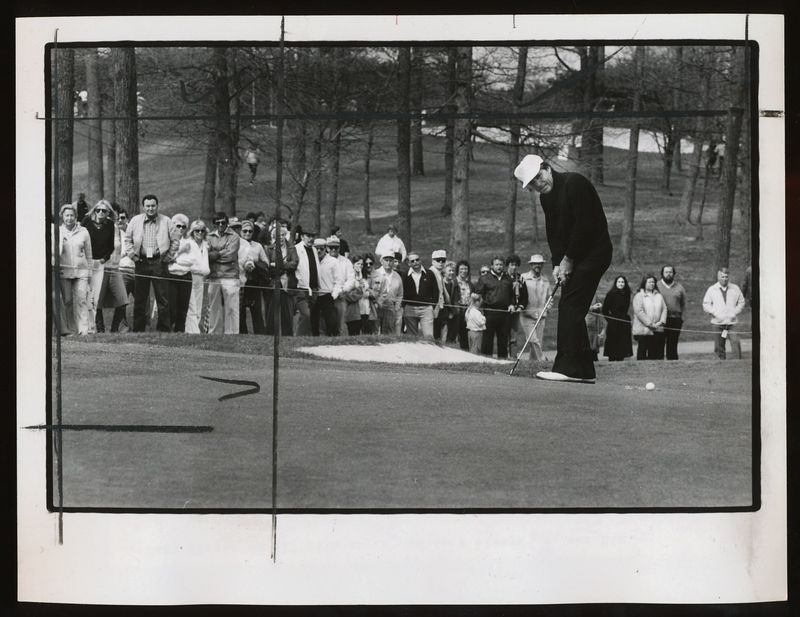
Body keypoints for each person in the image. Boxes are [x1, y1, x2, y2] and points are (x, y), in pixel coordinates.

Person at [515, 153, 612, 383]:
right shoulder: (546, 199)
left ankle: (568, 367)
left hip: (595, 252)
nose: (539, 184)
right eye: (533, 183)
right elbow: (555, 235)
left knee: (570, 305)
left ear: (547, 168)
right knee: (570, 305)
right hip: (576, 256)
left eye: (539, 177)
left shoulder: (574, 183)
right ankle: (584, 370)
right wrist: (558, 264)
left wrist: (568, 259)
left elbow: (584, 225)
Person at [122, 194, 179, 332]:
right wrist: (132, 256)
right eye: (148, 206)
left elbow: (175, 240)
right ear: (143, 207)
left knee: (162, 298)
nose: (150, 209)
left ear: (157, 206)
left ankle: (164, 329)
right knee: (140, 298)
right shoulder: (135, 221)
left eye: (153, 206)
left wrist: (168, 257)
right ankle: (138, 329)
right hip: (141, 262)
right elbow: (128, 240)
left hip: (160, 261)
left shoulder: (166, 221)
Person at [82, 200, 120, 333]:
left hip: (100, 264)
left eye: (104, 210)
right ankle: (84, 326)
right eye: (98, 210)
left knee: (96, 296)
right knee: (84, 294)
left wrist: (104, 259)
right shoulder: (86, 222)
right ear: (94, 210)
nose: (100, 213)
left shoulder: (110, 225)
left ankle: (93, 327)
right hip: (85, 262)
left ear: (108, 212)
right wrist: (86, 259)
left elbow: (111, 247)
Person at [55, 203, 92, 335]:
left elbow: (89, 254)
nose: (69, 218)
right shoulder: (58, 231)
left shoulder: (84, 231)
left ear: (76, 216)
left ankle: (84, 330)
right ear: (62, 217)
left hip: (81, 271)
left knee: (82, 299)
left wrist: (89, 272)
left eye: (71, 215)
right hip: (64, 272)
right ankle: (71, 329)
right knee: (68, 301)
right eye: (67, 216)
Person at [170, 219, 210, 333]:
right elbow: (176, 258)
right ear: (192, 231)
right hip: (190, 275)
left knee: (198, 305)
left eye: (202, 230)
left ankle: (194, 329)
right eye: (197, 230)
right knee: (190, 305)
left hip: (201, 278)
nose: (200, 233)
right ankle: (190, 330)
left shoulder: (205, 245)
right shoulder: (188, 243)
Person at [205, 211, 241, 334]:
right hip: (214, 275)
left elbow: (230, 255)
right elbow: (206, 255)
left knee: (232, 306)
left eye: (223, 222)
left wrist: (215, 254)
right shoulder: (209, 236)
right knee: (214, 306)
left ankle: (232, 333)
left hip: (230, 275)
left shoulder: (234, 236)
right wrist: (221, 252)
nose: (221, 225)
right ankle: (214, 332)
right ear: (214, 224)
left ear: (227, 223)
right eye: (218, 223)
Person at [474, 256, 514, 359]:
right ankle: (486, 359)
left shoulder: (507, 278)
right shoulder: (484, 278)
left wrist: (512, 304)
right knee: (488, 339)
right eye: (496, 264)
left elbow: (512, 295)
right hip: (490, 312)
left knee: (503, 339)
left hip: (504, 313)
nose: (499, 267)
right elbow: (477, 294)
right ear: (492, 266)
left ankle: (502, 360)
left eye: (501, 265)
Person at [264, 219, 298, 336]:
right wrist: (279, 266)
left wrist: (280, 265)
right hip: (274, 282)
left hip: (287, 283)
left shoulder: (291, 248)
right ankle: (269, 335)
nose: (281, 238)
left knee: (287, 312)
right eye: (278, 236)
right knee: (271, 311)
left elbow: (294, 263)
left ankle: (287, 335)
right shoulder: (269, 249)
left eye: (283, 235)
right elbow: (268, 266)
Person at [702, 267, 745, 360]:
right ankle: (721, 363)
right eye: (722, 277)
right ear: (718, 277)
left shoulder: (735, 288)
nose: (724, 279)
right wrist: (715, 313)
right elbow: (706, 304)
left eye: (726, 277)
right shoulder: (712, 289)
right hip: (718, 323)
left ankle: (737, 362)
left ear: (729, 277)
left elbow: (741, 302)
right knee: (719, 346)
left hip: (732, 323)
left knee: (735, 343)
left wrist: (734, 312)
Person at [518, 254, 552, 361]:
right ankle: (542, 359)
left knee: (538, 342)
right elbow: (518, 294)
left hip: (541, 315)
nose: (538, 266)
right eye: (535, 264)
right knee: (533, 340)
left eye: (540, 264)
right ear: (531, 265)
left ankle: (533, 362)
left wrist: (548, 307)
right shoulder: (523, 277)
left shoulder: (545, 280)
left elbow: (550, 297)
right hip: (527, 314)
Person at [238, 220, 269, 334]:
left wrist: (254, 263)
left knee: (256, 310)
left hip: (254, 281)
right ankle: (242, 333)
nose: (247, 233)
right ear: (241, 231)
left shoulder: (257, 246)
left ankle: (260, 333)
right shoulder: (236, 244)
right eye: (245, 231)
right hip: (240, 281)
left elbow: (266, 263)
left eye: (250, 231)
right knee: (240, 310)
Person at [401, 252, 439, 338]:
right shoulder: (405, 275)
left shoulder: (429, 273)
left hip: (426, 309)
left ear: (420, 260)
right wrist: (404, 306)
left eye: (417, 260)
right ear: (409, 263)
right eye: (412, 261)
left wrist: (432, 306)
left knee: (429, 337)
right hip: (410, 308)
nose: (415, 262)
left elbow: (436, 291)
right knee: (411, 338)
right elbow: (401, 292)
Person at [166, 213, 193, 332]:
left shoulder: (190, 242)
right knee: (171, 307)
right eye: (178, 226)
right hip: (171, 276)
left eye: (183, 227)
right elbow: (166, 259)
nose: (181, 229)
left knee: (183, 308)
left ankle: (180, 331)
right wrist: (180, 252)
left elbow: (192, 261)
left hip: (186, 276)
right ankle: (168, 330)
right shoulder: (167, 241)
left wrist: (175, 260)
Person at [632, 274, 668, 360]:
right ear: (644, 283)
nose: (652, 284)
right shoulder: (639, 296)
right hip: (644, 330)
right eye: (649, 282)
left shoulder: (659, 296)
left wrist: (661, 322)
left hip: (657, 328)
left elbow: (664, 309)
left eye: (653, 282)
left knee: (655, 353)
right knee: (643, 351)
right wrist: (650, 324)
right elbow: (639, 312)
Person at [293, 227, 321, 336]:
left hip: (313, 289)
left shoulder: (314, 250)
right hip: (301, 288)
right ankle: (298, 338)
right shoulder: (296, 249)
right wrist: (299, 282)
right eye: (308, 236)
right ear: (302, 236)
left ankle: (305, 338)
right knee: (305, 314)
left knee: (310, 316)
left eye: (313, 236)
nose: (311, 239)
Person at [326, 235, 356, 335]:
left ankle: (339, 339)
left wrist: (344, 290)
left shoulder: (346, 262)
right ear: (327, 248)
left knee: (340, 322)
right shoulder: (323, 260)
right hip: (326, 294)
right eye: (331, 247)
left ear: (339, 248)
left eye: (336, 247)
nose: (334, 249)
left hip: (340, 295)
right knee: (324, 323)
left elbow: (351, 279)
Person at [657, 264, 687, 360]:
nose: (668, 274)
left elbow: (683, 303)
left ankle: (673, 363)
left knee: (673, 343)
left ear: (673, 274)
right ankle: (659, 362)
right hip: (660, 319)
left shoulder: (679, 287)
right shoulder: (657, 286)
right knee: (659, 342)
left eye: (670, 272)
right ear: (662, 273)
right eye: (666, 272)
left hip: (675, 319)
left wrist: (682, 318)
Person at [601, 275, 634, 362]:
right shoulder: (611, 294)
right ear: (616, 283)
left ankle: (621, 358)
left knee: (623, 341)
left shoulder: (627, 294)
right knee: (613, 341)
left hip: (624, 320)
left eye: (622, 282)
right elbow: (604, 310)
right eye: (619, 282)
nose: (621, 284)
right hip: (614, 322)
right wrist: (611, 320)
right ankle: (612, 358)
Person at [371, 251, 404, 335]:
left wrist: (396, 307)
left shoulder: (397, 276)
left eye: (390, 260)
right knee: (375, 331)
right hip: (377, 306)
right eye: (386, 260)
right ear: (381, 261)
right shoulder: (375, 274)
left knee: (388, 332)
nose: (388, 263)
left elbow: (400, 294)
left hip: (391, 307)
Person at [314, 237, 341, 336]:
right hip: (313, 295)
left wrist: (334, 295)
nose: (319, 251)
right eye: (316, 248)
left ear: (326, 248)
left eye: (321, 248)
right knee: (314, 322)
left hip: (327, 294)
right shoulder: (310, 260)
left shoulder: (333, 261)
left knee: (331, 322)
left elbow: (338, 281)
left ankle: (332, 339)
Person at [505, 254, 528, 357]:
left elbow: (525, 295)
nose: (514, 267)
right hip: (505, 310)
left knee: (514, 336)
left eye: (516, 265)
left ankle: (513, 356)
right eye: (512, 265)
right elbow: (503, 295)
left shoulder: (520, 278)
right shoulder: (504, 277)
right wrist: (509, 304)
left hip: (516, 311)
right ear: (508, 265)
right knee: (504, 335)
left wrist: (521, 306)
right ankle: (503, 356)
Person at [453, 260, 475, 350]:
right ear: (458, 270)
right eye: (461, 269)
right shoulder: (454, 282)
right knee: (454, 333)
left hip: (467, 311)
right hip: (456, 311)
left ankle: (465, 352)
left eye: (466, 269)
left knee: (464, 334)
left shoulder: (470, 284)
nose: (464, 271)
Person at [440, 260, 460, 344]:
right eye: (449, 270)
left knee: (451, 337)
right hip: (442, 313)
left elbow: (455, 299)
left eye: (453, 271)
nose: (452, 272)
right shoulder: (440, 283)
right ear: (444, 272)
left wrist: (453, 311)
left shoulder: (454, 284)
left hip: (452, 313)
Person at [429, 249, 448, 340]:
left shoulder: (439, 273)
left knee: (438, 332)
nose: (441, 262)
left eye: (443, 260)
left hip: (440, 306)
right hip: (433, 307)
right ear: (433, 261)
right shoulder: (430, 272)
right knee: (433, 333)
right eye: (438, 260)